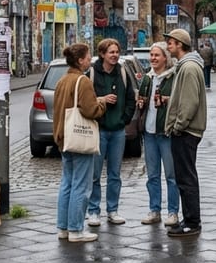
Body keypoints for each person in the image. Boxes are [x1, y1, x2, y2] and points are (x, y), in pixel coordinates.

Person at [53, 43, 106, 243]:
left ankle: (63, 228)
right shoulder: (82, 81)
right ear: (81, 60)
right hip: (79, 138)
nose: (90, 59)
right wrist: (101, 104)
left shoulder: (62, 80)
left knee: (66, 183)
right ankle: (76, 229)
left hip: (64, 137)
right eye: (88, 56)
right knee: (81, 185)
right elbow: (90, 110)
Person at [85, 38, 137, 226]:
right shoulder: (91, 73)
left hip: (117, 131)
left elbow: (131, 98)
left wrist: (125, 119)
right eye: (111, 52)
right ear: (102, 54)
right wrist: (102, 99)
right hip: (98, 129)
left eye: (117, 52)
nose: (115, 55)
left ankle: (113, 210)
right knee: (95, 174)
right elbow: (86, 100)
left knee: (115, 173)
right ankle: (93, 211)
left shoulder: (122, 72)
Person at [164, 28, 207, 237]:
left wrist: (178, 126)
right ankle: (189, 218)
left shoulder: (189, 67)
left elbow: (189, 102)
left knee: (186, 177)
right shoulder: (186, 65)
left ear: (180, 44)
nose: (168, 46)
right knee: (185, 176)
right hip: (187, 130)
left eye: (171, 42)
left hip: (186, 131)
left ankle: (192, 221)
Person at [136, 41, 179, 226]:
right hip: (149, 132)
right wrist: (141, 103)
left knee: (171, 175)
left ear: (165, 58)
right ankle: (154, 210)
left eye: (156, 55)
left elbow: (179, 102)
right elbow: (143, 100)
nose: (152, 58)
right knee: (152, 175)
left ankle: (173, 212)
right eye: (151, 55)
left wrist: (166, 100)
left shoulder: (173, 78)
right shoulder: (147, 79)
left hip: (166, 132)